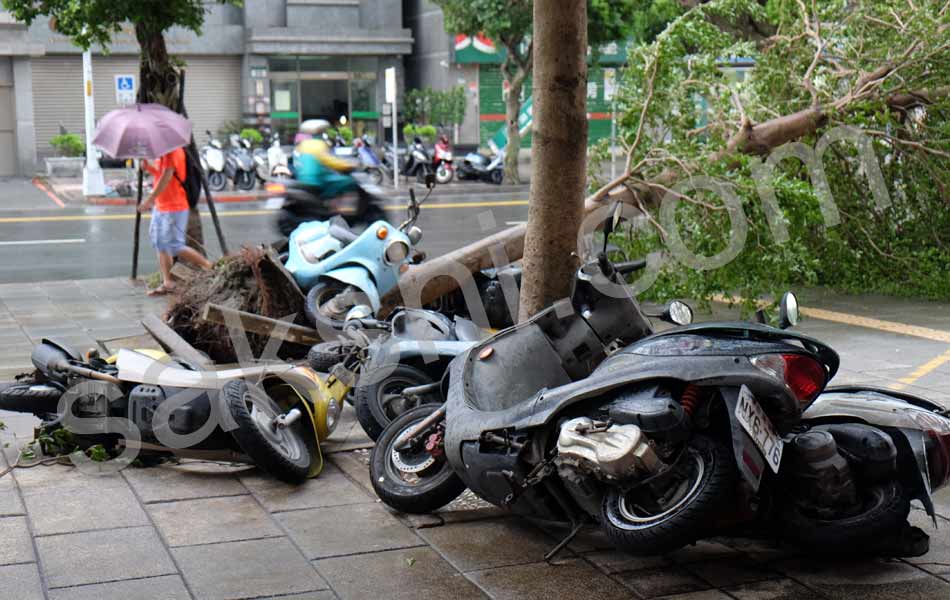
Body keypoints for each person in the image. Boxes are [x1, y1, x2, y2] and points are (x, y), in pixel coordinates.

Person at [139, 147, 212, 296]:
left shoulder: (173, 151)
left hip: (175, 206)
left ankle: (209, 266)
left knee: (174, 245)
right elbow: (160, 174)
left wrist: (149, 199)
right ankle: (168, 282)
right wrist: (148, 167)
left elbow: (167, 175)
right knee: (160, 243)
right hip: (161, 205)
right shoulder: (164, 152)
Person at [293, 119, 359, 199]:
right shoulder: (318, 144)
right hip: (316, 182)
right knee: (349, 182)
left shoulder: (302, 145)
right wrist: (348, 165)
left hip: (302, 181)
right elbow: (330, 161)